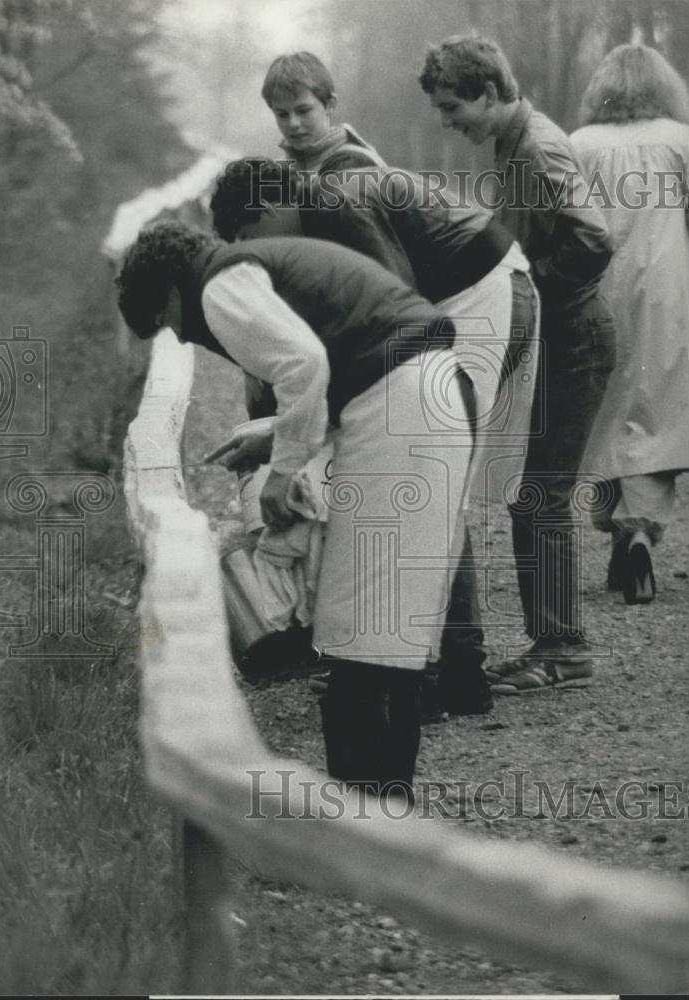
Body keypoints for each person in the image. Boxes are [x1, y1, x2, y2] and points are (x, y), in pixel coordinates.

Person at [116, 221, 475, 797]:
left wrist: (281, 474)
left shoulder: (218, 285)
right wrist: (277, 437)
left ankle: (371, 823)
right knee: (371, 629)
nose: (182, 339)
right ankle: (375, 814)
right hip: (411, 396)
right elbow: (341, 361)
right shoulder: (247, 266)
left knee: (370, 633)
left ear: (171, 291)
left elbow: (305, 365)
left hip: (404, 407)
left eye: (167, 322)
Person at [209, 155, 540, 717]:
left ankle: (446, 673)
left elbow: (395, 323)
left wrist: (289, 436)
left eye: (248, 236)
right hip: (455, 304)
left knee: (426, 469)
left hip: (483, 295)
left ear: (270, 206)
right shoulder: (314, 222)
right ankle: (436, 669)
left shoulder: (334, 205)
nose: (253, 252)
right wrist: (288, 429)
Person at [419, 34, 617, 694]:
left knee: (541, 497)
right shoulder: (512, 142)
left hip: (575, 338)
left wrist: (533, 291)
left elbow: (593, 238)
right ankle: (554, 643)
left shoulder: (535, 146)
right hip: (556, 337)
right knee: (530, 497)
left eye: (453, 107)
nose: (449, 122)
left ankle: (562, 650)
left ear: (487, 92)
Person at [570, 44, 689, 604]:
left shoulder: (580, 145)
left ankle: (615, 527)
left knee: (603, 411)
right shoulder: (683, 140)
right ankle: (641, 530)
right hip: (669, 291)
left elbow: (563, 224)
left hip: (597, 290)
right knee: (656, 413)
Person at [262, 51, 384, 174]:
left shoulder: (362, 165)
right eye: (282, 114)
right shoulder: (274, 173)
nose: (293, 123)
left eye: (303, 111)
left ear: (329, 105)